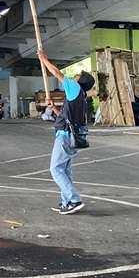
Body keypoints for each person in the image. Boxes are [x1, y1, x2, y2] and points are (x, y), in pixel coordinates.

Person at [40, 53, 95, 215]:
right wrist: (55, 108)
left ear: (80, 82)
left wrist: (44, 60)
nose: (75, 76)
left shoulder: (75, 88)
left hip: (65, 136)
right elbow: (66, 117)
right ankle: (66, 202)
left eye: (78, 76)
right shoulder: (81, 97)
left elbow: (58, 73)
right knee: (64, 171)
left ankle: (74, 199)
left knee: (55, 169)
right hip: (72, 136)